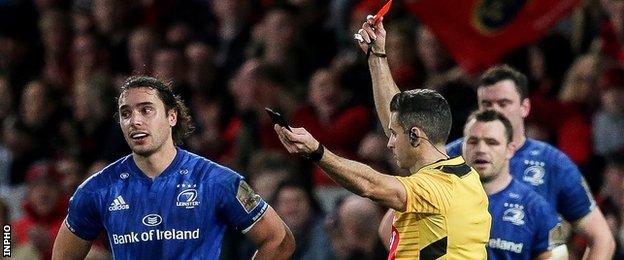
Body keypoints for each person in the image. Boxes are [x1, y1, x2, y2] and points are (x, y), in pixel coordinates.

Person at [52, 76, 295, 259]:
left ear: (172, 116)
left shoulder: (216, 181)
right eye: (126, 113)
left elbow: (279, 240)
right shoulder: (97, 190)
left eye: (146, 110)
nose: (135, 121)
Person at [274, 88, 491, 258]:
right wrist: (377, 57)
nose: (389, 142)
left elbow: (370, 185)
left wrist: (317, 151)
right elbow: (401, 117)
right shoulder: (462, 176)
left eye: (394, 134)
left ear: (415, 136)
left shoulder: (439, 187)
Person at [445, 65, 615, 257]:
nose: (495, 111)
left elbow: (601, 238)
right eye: (486, 104)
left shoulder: (552, 163)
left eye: (504, 103)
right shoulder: (451, 156)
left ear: (524, 107)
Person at [462, 110, 567, 259]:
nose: (481, 149)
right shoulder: (440, 199)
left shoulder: (537, 210)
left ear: (510, 150)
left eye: (492, 142)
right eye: (472, 141)